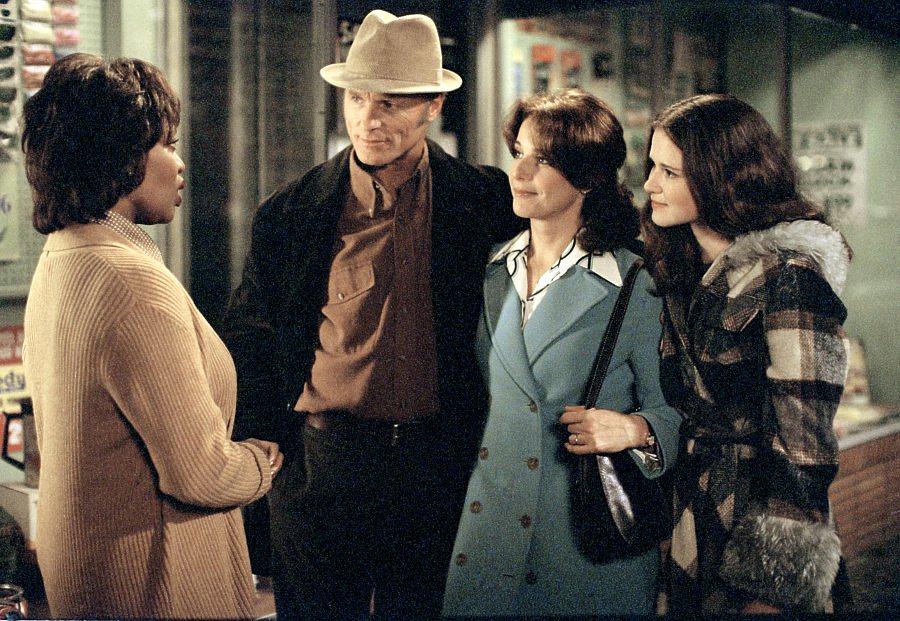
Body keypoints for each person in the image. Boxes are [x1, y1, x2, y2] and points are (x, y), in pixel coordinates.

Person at [222, 10, 520, 619]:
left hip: (438, 463)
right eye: (357, 98)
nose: (369, 118)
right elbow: (251, 333)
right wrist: (266, 446)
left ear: (433, 106)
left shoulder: (487, 199)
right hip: (326, 464)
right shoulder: (291, 212)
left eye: (391, 102)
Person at [21, 54, 282, 619]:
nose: (180, 163)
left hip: (92, 576)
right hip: (155, 583)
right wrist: (264, 461)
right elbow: (201, 474)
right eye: (167, 144)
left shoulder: (66, 255)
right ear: (119, 154)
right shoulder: (129, 280)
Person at [441, 89, 681, 617]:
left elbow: (678, 412)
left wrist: (634, 429)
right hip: (487, 540)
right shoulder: (487, 273)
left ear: (588, 177)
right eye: (518, 153)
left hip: (581, 548)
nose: (520, 172)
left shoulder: (635, 283)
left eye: (543, 160)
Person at [641, 93, 851, 614]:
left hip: (756, 519)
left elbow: (805, 444)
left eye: (670, 172)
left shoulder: (789, 276)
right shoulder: (681, 267)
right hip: (689, 513)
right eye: (652, 166)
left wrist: (773, 586)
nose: (650, 185)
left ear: (719, 178)